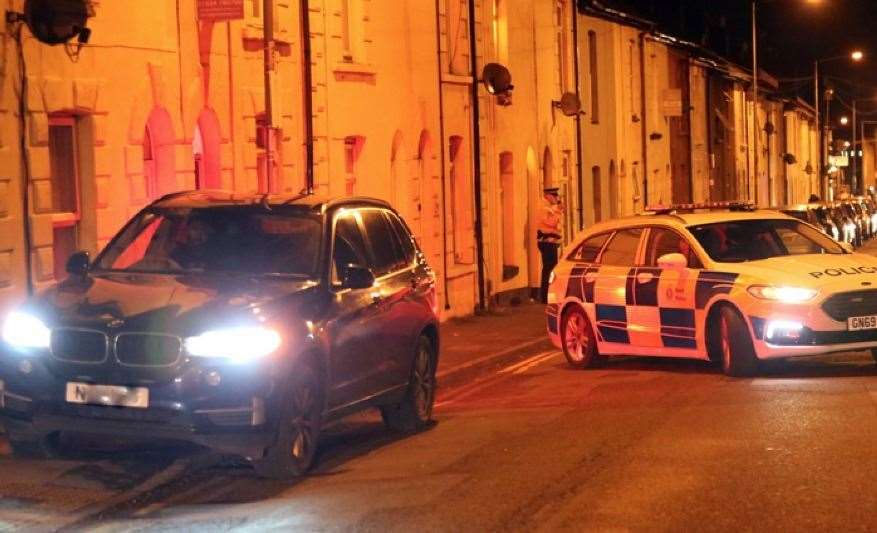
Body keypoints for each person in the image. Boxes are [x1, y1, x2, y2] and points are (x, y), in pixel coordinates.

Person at [537, 187, 563, 304]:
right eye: (554, 196)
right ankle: (545, 296)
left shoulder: (549, 208)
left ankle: (548, 295)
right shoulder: (544, 208)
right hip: (546, 242)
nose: (556, 199)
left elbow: (557, 225)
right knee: (548, 269)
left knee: (550, 268)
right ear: (548, 196)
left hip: (551, 241)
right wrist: (558, 211)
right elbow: (550, 222)